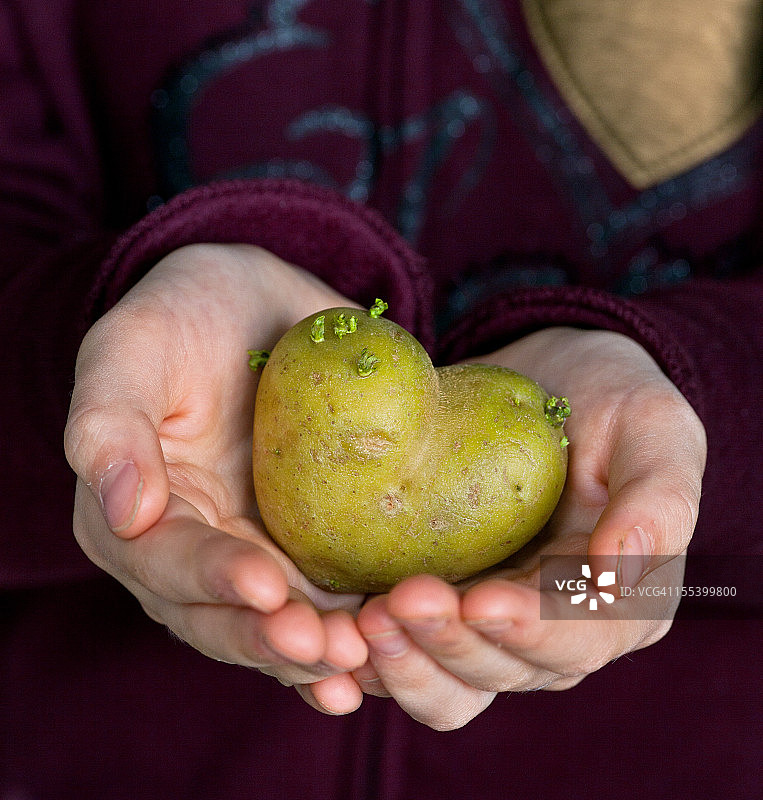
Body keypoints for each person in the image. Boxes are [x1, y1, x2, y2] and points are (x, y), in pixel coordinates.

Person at [2, 1, 760, 797]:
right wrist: (101, 358)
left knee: (613, 579)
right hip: (107, 744)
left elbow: (640, 560)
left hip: (666, 748)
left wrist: (696, 431)